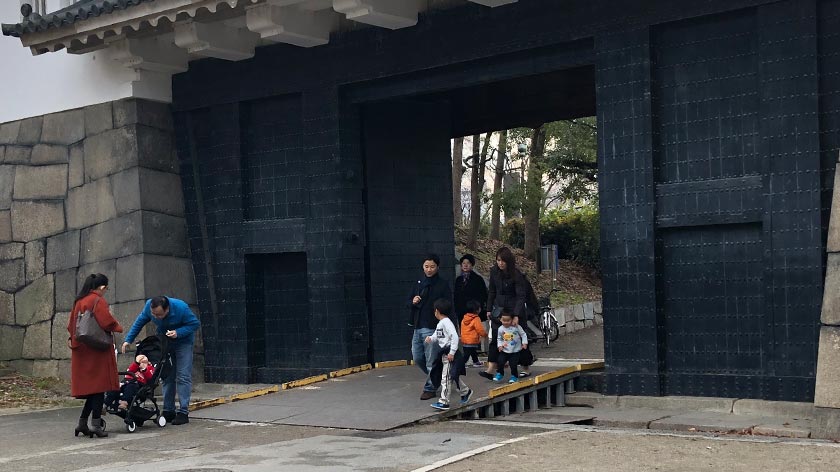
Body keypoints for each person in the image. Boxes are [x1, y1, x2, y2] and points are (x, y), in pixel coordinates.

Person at [121, 296, 200, 425]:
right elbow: (139, 321)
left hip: (183, 342)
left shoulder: (181, 308)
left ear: (167, 309)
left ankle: (183, 412)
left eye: (159, 314)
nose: (155, 317)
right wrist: (128, 340)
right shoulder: (149, 306)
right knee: (166, 375)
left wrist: (178, 332)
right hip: (164, 342)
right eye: (153, 314)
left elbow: (194, 324)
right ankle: (168, 410)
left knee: (183, 375)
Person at [66, 273, 123, 438]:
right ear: (102, 287)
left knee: (92, 389)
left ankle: (82, 423)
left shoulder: (79, 301)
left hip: (81, 350)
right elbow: (107, 321)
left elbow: (70, 326)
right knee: (99, 387)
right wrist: (118, 327)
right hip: (97, 350)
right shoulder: (97, 300)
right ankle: (96, 425)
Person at [407, 254, 453, 401]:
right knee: (417, 356)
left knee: (431, 359)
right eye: (426, 266)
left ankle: (430, 388)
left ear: (437, 267)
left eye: (432, 266)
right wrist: (413, 301)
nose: (429, 269)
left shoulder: (442, 284)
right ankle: (439, 376)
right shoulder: (418, 282)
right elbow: (408, 301)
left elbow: (449, 305)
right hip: (417, 325)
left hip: (433, 326)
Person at [480, 247, 527, 381]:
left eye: (503, 261)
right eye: (498, 260)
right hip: (499, 309)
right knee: (496, 337)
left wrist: (516, 314)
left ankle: (525, 366)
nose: (500, 263)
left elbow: (521, 295)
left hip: (513, 308)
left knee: (517, 338)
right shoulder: (494, 272)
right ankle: (491, 368)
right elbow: (492, 291)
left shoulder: (516, 274)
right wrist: (489, 308)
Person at [425, 299, 471, 410]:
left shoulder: (446, 323)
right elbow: (437, 335)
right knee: (451, 375)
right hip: (445, 353)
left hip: (449, 353)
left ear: (437, 311)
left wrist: (452, 352)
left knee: (445, 378)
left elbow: (454, 336)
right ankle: (465, 391)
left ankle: (444, 401)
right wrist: (431, 338)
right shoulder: (441, 323)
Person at [494, 312, 529, 383]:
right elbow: (499, 338)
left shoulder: (516, 327)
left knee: (513, 364)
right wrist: (500, 346)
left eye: (508, 320)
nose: (506, 322)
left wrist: (524, 343)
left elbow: (523, 334)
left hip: (515, 350)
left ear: (512, 320)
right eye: (504, 320)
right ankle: (500, 373)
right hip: (504, 350)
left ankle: (514, 376)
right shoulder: (500, 329)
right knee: (500, 361)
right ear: (500, 320)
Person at [453, 254, 488, 324]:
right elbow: (456, 295)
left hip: (474, 311)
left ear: (472, 265)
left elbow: (483, 295)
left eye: (468, 263)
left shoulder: (478, 279)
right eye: (463, 263)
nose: (465, 265)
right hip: (461, 312)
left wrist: (478, 307)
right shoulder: (458, 280)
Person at [460, 299, 487, 367]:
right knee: (467, 354)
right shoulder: (476, 318)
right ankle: (460, 364)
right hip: (472, 339)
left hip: (465, 339)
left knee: (472, 351)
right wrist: (484, 334)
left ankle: (476, 361)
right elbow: (479, 329)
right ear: (477, 310)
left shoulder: (464, 318)